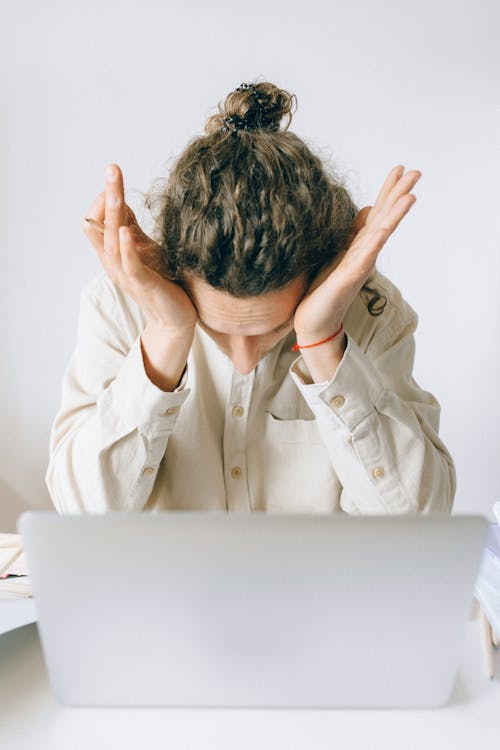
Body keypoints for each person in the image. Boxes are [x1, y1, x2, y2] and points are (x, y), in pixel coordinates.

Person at [45, 81, 456, 515]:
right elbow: (80, 516)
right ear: (177, 272)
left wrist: (321, 340)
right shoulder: (119, 307)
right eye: (217, 327)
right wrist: (168, 334)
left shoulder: (372, 313)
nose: (243, 361)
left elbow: (418, 520)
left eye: (272, 330)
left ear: (318, 276)